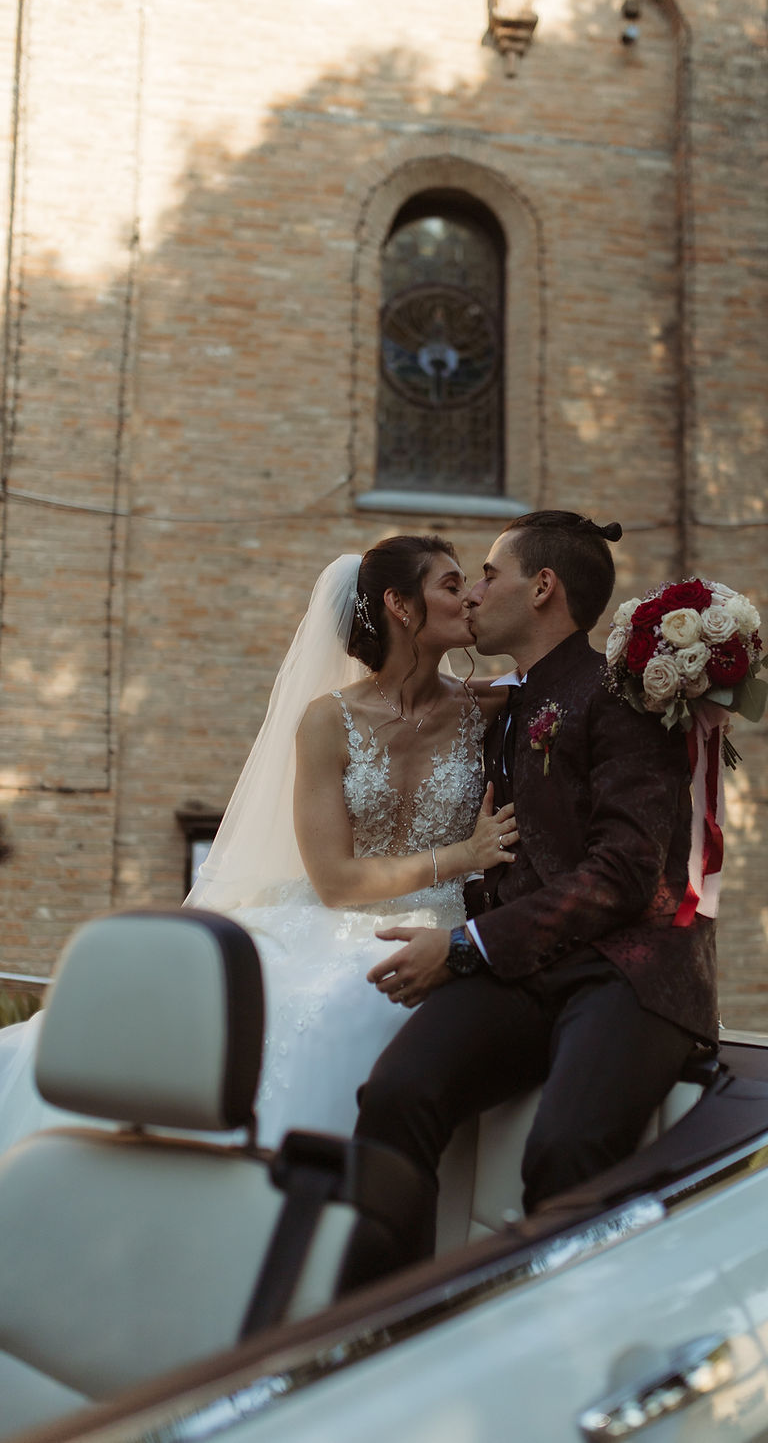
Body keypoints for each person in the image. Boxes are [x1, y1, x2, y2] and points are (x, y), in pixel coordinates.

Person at [0, 537, 516, 1151]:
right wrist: (464, 855)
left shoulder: (490, 706)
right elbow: (335, 882)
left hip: (438, 932)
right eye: (452, 586)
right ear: (400, 607)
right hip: (335, 921)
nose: (472, 599)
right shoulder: (328, 720)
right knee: (262, 1015)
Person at [352, 511, 719, 1258]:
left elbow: (625, 871)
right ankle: (382, 1329)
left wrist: (461, 946)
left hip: (627, 974)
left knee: (566, 1150)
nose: (475, 593)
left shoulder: (625, 695)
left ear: (543, 587)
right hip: (524, 971)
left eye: (489, 574)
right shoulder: (505, 704)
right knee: (394, 1095)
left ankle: (563, 1358)